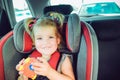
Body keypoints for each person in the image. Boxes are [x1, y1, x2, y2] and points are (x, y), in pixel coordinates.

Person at [16, 12, 75, 80]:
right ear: (34, 42)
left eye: (50, 37)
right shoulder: (30, 59)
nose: (45, 42)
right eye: (40, 38)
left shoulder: (63, 59)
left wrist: (49, 72)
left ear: (58, 40)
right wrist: (23, 74)